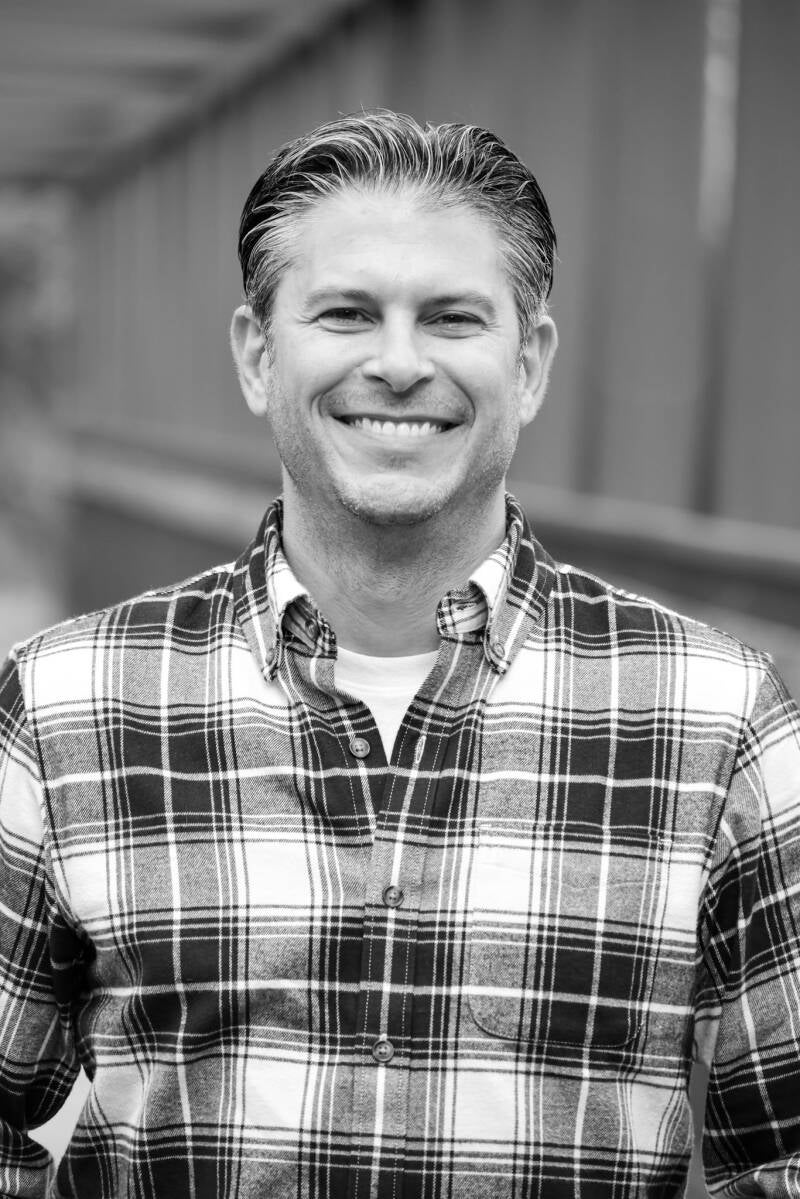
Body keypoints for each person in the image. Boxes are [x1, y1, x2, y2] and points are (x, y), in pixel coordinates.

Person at [1, 109, 798, 1199]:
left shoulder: (715, 717)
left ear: (529, 364)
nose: (397, 363)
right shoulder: (66, 705)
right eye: (346, 313)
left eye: (451, 318)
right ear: (256, 355)